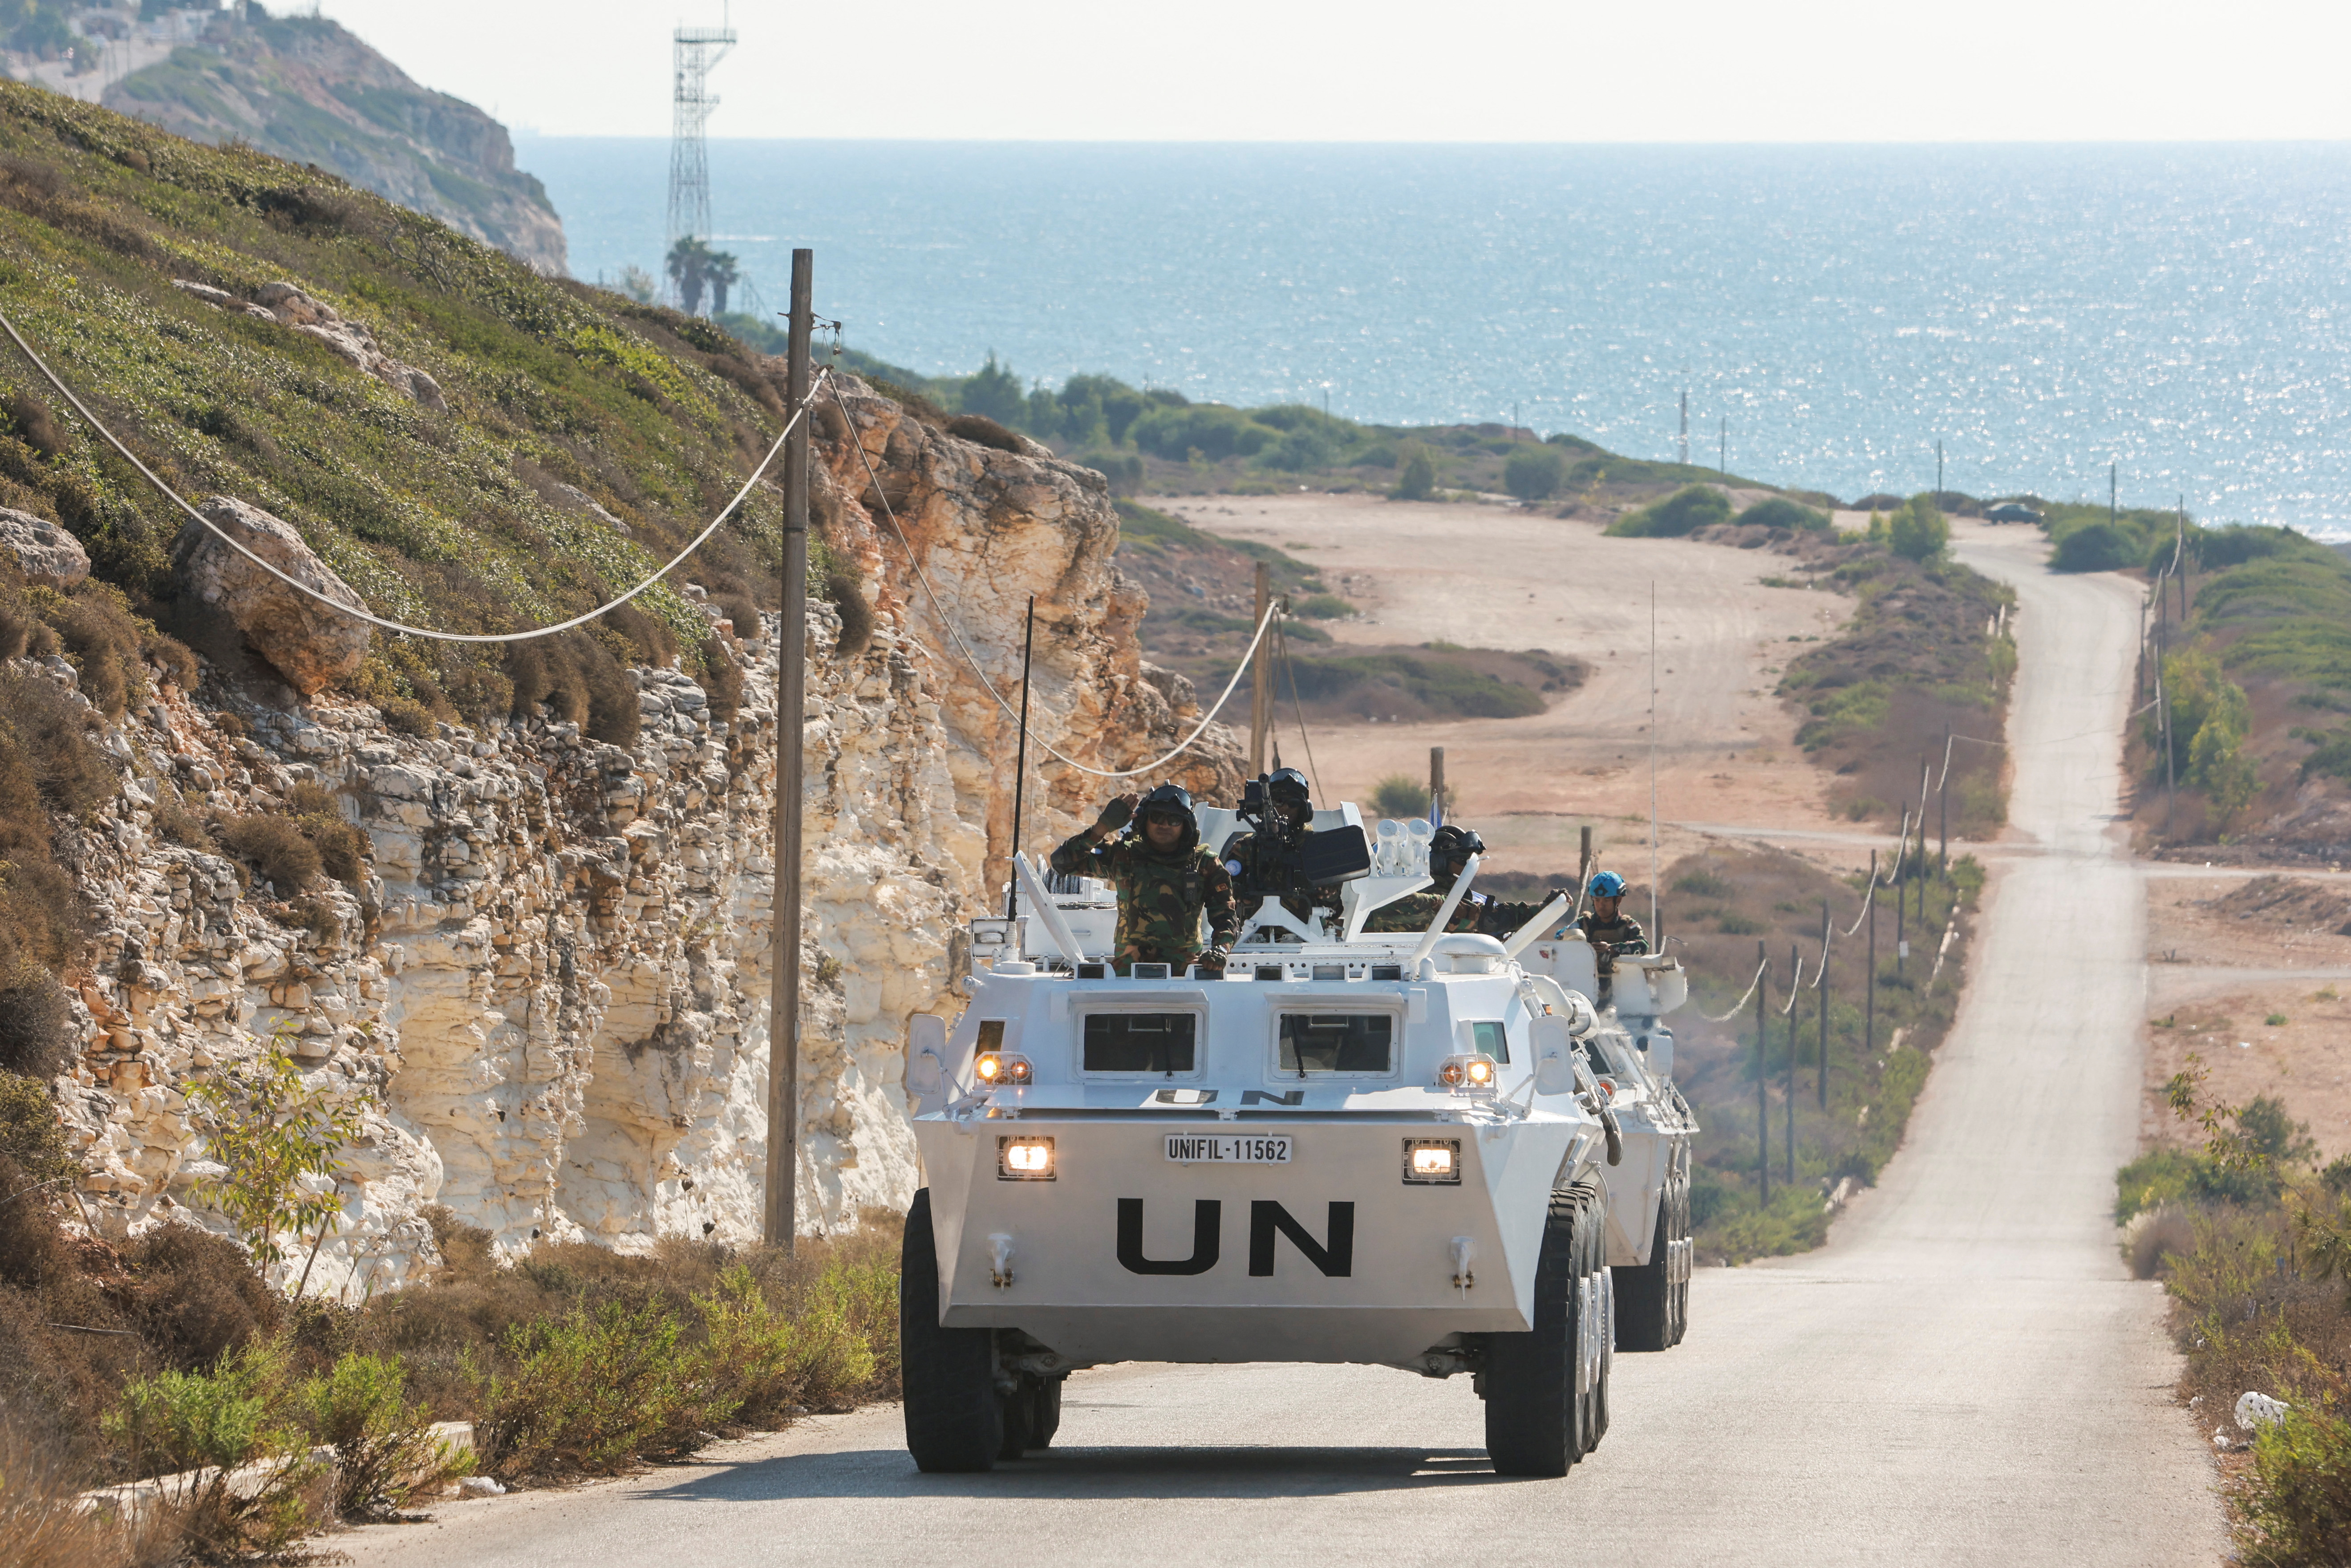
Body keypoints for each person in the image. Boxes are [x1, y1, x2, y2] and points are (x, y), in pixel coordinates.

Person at [1050, 782, 1237, 974]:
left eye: (1174, 820)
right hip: (1127, 974)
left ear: (1186, 825)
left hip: (1184, 976)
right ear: (1145, 820)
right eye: (1157, 818)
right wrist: (1102, 827)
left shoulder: (1204, 864)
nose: (1164, 825)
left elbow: (1225, 916)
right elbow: (1062, 863)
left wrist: (1220, 950)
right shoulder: (1123, 856)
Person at [1363, 824, 1547, 935]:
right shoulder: (1413, 903)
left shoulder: (1365, 900)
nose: (1464, 867)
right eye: (1460, 861)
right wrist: (1540, 910)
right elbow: (1486, 919)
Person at [1218, 767, 1333, 924]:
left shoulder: (1317, 848)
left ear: (1305, 809)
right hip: (1252, 935)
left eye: (1293, 803)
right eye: (1278, 801)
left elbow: (1336, 908)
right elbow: (1223, 894)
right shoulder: (1245, 847)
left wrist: (1328, 893)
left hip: (1309, 936)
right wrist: (1236, 892)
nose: (1285, 808)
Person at [1577, 870, 1649, 1005]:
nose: (1601, 905)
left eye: (1607, 900)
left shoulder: (1628, 925)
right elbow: (1561, 940)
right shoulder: (1583, 924)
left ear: (1618, 900)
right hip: (1586, 992)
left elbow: (1643, 945)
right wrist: (1584, 948)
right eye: (1597, 900)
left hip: (1622, 994)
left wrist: (1613, 949)